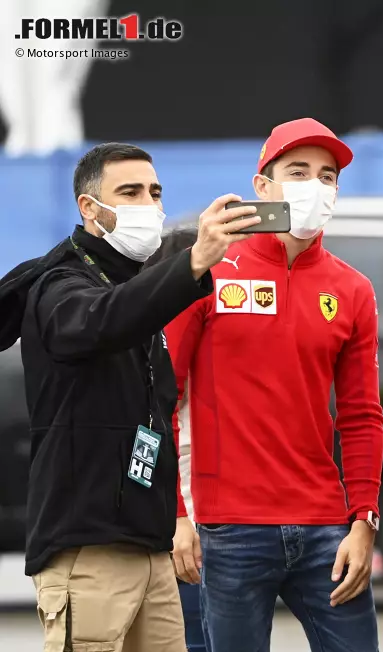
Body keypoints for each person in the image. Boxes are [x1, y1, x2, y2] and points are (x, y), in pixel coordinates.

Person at [6, 142, 259, 651]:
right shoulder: (60, 284)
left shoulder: (138, 292)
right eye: (130, 191)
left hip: (151, 549)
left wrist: (177, 520)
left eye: (155, 192)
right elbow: (101, 321)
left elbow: (159, 404)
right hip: (87, 549)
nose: (149, 203)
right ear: (89, 208)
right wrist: (192, 264)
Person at [164, 118, 383, 652]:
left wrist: (363, 523)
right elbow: (158, 399)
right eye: (298, 171)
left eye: (327, 176)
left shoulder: (352, 289)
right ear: (263, 185)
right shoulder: (208, 269)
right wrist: (175, 514)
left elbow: (361, 416)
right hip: (227, 528)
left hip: (327, 528)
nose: (316, 186)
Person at [145, 225, 209, 652]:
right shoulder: (156, 343)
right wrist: (177, 517)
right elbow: (154, 428)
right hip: (181, 519)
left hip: (205, 517)